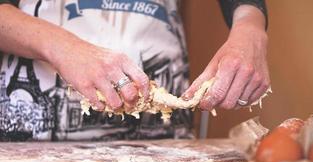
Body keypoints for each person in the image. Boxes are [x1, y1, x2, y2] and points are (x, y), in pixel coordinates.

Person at [0, 0, 269, 141]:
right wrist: (63, 47)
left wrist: (250, 27)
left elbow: (244, 6)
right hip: (38, 141)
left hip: (164, 144)